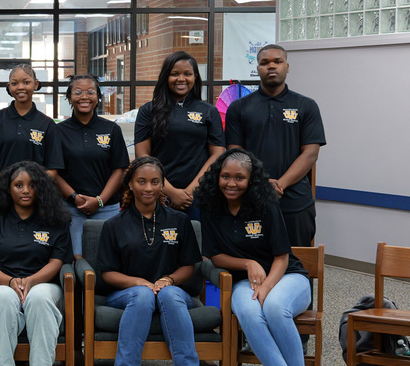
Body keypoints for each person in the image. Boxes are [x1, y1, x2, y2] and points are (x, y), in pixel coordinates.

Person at [195, 149, 317, 366]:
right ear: (217, 177)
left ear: (251, 180)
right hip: (242, 281)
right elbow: (214, 255)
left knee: (274, 308)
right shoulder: (211, 206)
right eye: (225, 176)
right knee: (250, 314)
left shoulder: (265, 204)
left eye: (239, 177)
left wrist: (267, 286)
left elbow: (282, 257)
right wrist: (248, 263)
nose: (231, 183)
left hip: (288, 277)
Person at [97, 156, 203, 366]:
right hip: (126, 293)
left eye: (155, 182)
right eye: (141, 181)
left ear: (163, 184)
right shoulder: (114, 225)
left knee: (167, 295)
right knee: (144, 295)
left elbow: (189, 266)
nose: (148, 188)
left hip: (172, 291)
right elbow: (107, 274)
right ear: (130, 184)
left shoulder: (179, 221)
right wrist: (139, 282)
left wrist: (168, 280)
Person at [0, 160, 70, 366]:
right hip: (0, 284)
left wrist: (30, 281)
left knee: (39, 297)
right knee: (5, 298)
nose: (26, 190)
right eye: (18, 185)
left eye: (32, 185)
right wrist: (10, 282)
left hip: (43, 284)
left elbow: (57, 261)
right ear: (8, 189)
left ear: (41, 188)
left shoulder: (55, 219)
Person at [224, 44, 326, 247]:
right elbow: (235, 154)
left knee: (298, 263)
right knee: (254, 264)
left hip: (295, 201)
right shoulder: (239, 108)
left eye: (277, 62)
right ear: (258, 68)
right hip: (250, 198)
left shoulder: (306, 106)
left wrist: (280, 185)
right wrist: (261, 184)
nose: (271, 66)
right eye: (265, 62)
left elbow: (310, 153)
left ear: (287, 67)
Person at [134, 51, 224, 220]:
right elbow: (142, 155)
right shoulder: (148, 110)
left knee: (196, 244)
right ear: (165, 77)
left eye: (187, 74)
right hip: (157, 194)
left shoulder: (208, 111)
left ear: (195, 77)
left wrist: (190, 191)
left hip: (198, 196)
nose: (181, 79)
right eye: (174, 74)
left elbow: (217, 154)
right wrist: (170, 191)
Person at [54, 74, 129, 257]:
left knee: (107, 259)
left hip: (107, 208)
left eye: (90, 92)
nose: (84, 97)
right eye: (78, 92)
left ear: (98, 96)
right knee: (74, 260)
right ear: (69, 97)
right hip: (71, 209)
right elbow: (54, 172)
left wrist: (100, 200)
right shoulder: (58, 131)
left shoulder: (112, 129)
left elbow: (119, 170)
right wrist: (74, 198)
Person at [0, 64, 63, 183]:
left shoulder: (47, 124)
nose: (20, 87)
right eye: (14, 83)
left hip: (35, 195)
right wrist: (3, 189)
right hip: (0, 195)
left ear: (36, 84)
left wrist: (30, 189)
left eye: (26, 82)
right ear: (9, 87)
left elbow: (53, 167)